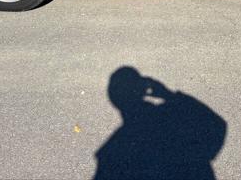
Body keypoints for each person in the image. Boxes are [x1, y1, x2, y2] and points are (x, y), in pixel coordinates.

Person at [94, 67, 227, 180]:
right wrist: (169, 96)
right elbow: (217, 125)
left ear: (114, 100)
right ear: (144, 88)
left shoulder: (112, 152)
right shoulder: (176, 118)